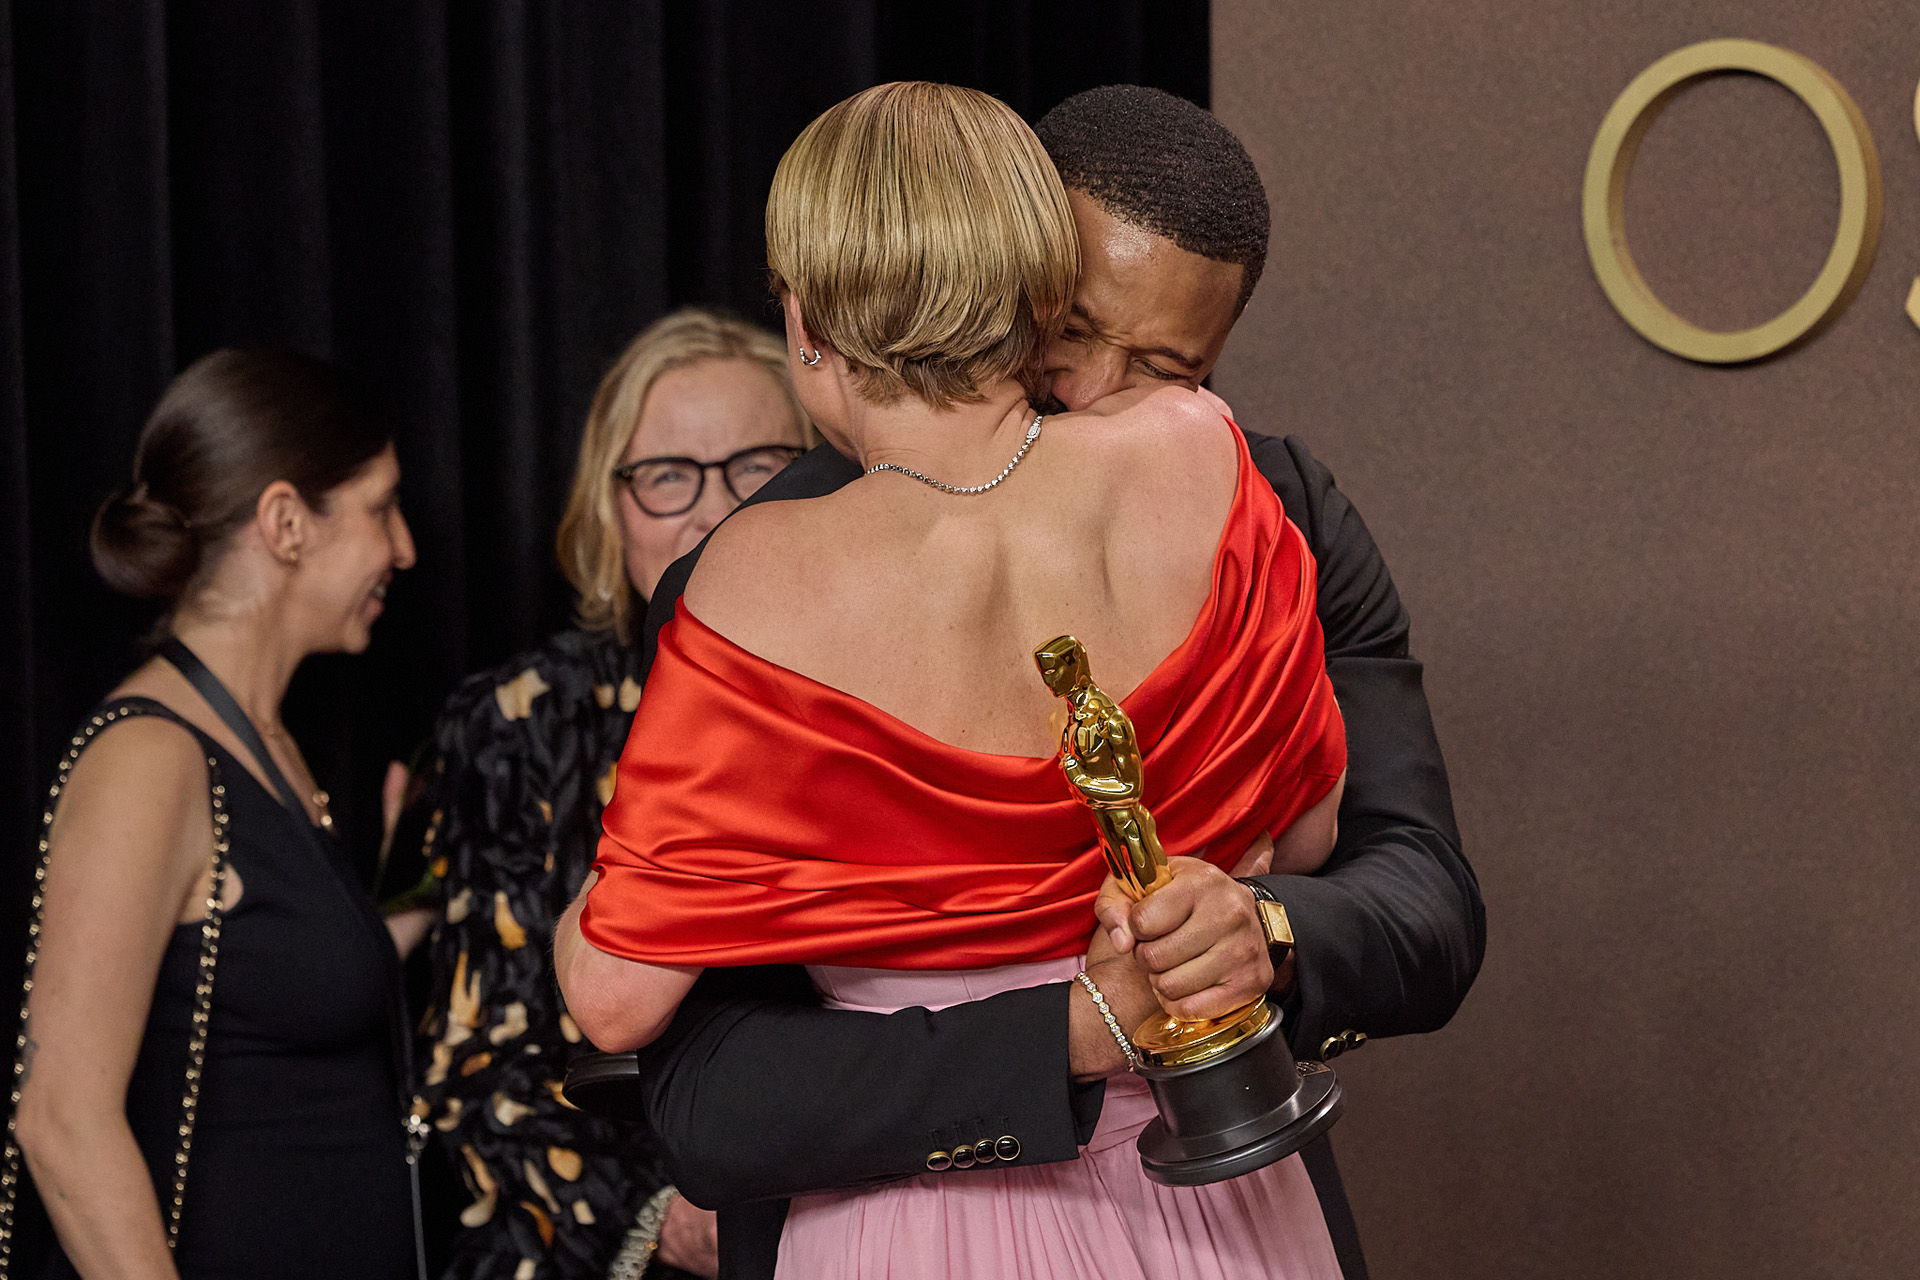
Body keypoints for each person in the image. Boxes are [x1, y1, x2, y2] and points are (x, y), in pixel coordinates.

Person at [614, 85, 1484, 1280]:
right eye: (1067, 332)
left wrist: (1266, 929)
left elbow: (1427, 899)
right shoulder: (754, 585)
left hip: (1226, 1216)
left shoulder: (1271, 504)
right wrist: (1069, 1033)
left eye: (1166, 367)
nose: (1092, 389)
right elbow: (712, 1092)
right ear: (991, 269)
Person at [406, 308, 812, 1280]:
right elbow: (480, 1063)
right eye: (668, 476)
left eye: (758, 466)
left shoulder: (885, 698)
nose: (714, 513)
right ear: (609, 506)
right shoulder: (512, 725)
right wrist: (665, 1217)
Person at [5, 348, 428, 1279]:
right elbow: (61, 1119)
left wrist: (421, 880)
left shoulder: (265, 745)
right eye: (380, 508)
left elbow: (281, 998)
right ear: (286, 523)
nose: (403, 549)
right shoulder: (149, 758)